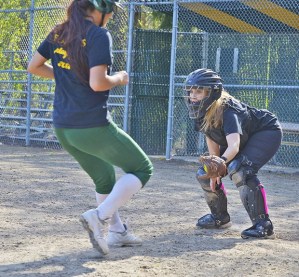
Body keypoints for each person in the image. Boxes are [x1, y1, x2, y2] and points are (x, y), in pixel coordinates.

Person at [27, 0, 153, 255]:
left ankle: (117, 232)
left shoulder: (59, 32)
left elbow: (34, 66)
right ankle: (100, 216)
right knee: (141, 168)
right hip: (91, 124)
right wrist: (119, 78)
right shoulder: (98, 34)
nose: (111, 16)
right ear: (100, 9)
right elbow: (98, 84)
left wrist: (67, 75)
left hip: (63, 127)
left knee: (104, 177)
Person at [184, 68, 282, 239]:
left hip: (266, 131)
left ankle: (263, 225)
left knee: (241, 169)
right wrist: (215, 169)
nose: (193, 95)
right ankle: (220, 218)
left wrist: (222, 161)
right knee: (205, 173)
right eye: (191, 91)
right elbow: (211, 138)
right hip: (243, 138)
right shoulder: (200, 109)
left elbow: (234, 145)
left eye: (198, 91)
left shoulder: (228, 109)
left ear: (212, 92)